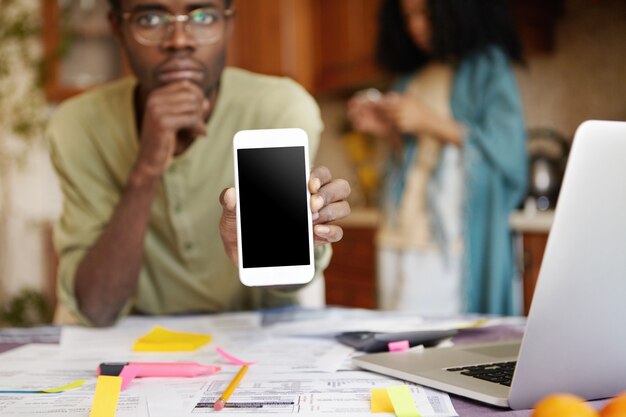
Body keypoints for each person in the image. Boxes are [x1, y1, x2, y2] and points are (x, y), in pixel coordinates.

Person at [47, 0, 351, 327]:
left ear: (228, 25)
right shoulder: (77, 126)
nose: (179, 39)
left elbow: (284, 282)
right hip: (141, 346)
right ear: (118, 29)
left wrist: (299, 240)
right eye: (150, 18)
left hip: (256, 337)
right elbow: (96, 306)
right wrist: (146, 168)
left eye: (203, 16)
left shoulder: (278, 108)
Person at [348, 0, 527, 315]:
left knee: (430, 345)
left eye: (425, 13)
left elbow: (508, 151)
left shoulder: (486, 66)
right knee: (394, 340)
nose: (415, 26)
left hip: (447, 242)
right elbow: (413, 163)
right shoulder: (411, 76)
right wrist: (386, 129)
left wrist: (427, 120)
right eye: (408, 16)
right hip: (397, 230)